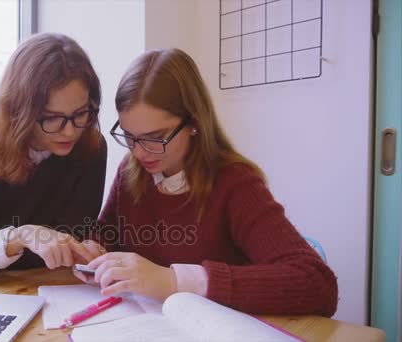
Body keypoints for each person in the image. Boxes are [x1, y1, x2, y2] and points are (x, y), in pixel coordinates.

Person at [75, 48, 338, 316]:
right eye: (130, 136)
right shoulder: (131, 172)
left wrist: (175, 281)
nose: (139, 151)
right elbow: (107, 234)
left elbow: (317, 284)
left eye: (155, 137)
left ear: (194, 123)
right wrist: (92, 251)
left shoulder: (235, 183)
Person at [0, 33, 107, 279]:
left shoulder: (91, 148)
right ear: (18, 110)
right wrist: (19, 236)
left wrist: (86, 247)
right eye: (51, 118)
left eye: (81, 114)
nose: (70, 131)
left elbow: (75, 234)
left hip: (56, 291)